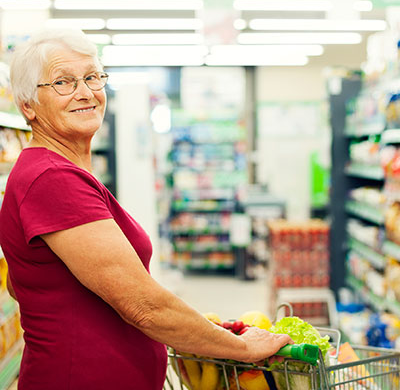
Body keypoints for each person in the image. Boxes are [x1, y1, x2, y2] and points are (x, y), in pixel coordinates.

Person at [0, 28, 293, 390]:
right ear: (28, 105)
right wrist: (240, 348)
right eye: (63, 82)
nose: (86, 92)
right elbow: (143, 306)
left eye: (92, 77)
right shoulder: (52, 178)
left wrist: (197, 329)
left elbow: (21, 283)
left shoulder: (57, 173)